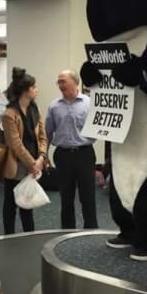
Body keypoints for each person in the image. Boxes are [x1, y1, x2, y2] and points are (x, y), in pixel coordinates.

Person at [46, 70, 98, 229]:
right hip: (62, 155)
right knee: (66, 196)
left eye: (63, 81)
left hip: (84, 154)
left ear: (75, 82)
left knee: (87, 195)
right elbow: (48, 132)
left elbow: (99, 127)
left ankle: (91, 228)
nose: (60, 85)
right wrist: (44, 155)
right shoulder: (54, 106)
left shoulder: (90, 103)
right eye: (59, 82)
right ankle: (67, 230)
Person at [2, 68, 48, 234]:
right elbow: (16, 145)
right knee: (11, 204)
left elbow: (43, 137)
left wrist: (41, 158)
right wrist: (32, 164)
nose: (37, 90)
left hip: (35, 162)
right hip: (17, 166)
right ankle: (9, 236)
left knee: (27, 205)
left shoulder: (35, 110)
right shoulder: (9, 115)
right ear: (26, 90)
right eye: (34, 87)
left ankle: (29, 235)